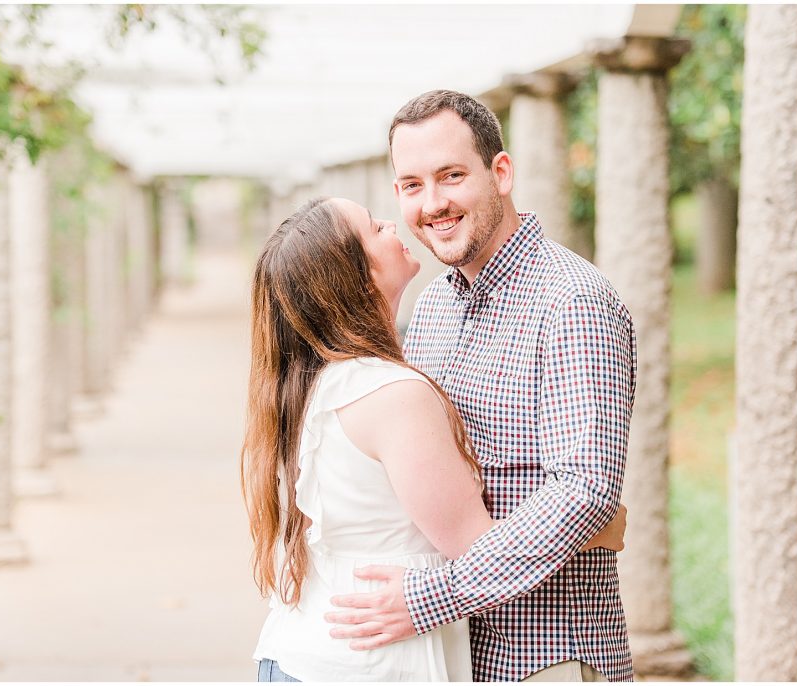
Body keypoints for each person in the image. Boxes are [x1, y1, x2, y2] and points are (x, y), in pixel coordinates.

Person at [242, 196, 626, 682]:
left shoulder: (318, 380)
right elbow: (476, 546)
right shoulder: (394, 393)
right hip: (367, 665)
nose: (389, 222)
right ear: (355, 277)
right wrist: (597, 528)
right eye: (371, 228)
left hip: (300, 651)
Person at [325, 90, 636, 682]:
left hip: (545, 656)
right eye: (412, 184)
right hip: (449, 655)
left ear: (501, 173)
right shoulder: (434, 305)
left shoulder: (573, 302)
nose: (433, 203)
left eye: (451, 176)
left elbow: (585, 492)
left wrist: (429, 597)